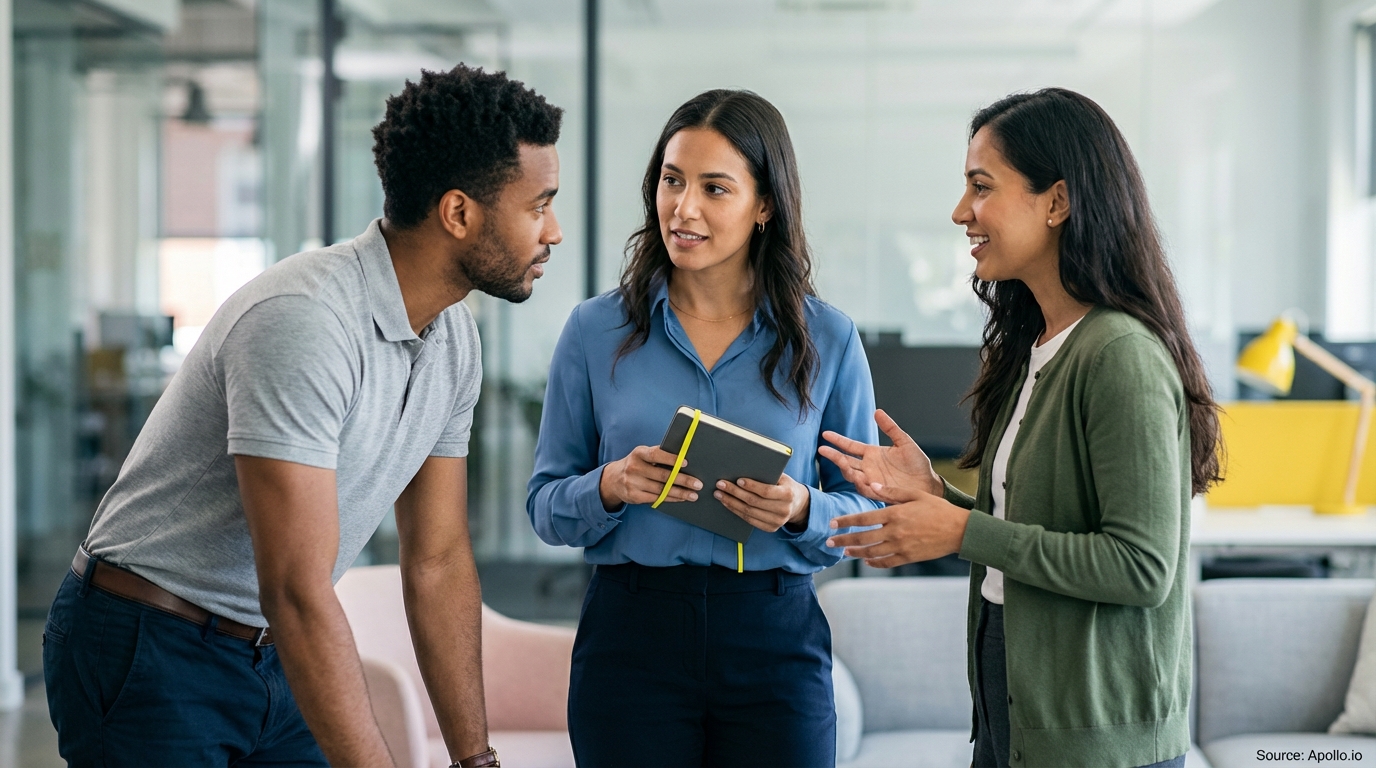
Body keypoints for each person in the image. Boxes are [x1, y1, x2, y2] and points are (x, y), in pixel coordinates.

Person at [43, 64, 564, 767]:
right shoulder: (305, 321)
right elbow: (293, 585)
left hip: (271, 647)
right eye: (539, 205)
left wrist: (476, 760)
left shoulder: (453, 339)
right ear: (459, 213)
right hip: (151, 642)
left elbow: (437, 559)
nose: (554, 232)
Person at [820, 88, 1221, 768]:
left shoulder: (1119, 354)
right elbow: (1040, 525)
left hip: (1099, 742)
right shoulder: (1040, 345)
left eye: (981, 186)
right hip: (1016, 704)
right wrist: (940, 498)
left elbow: (1142, 566)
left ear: (1057, 203)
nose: (959, 212)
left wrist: (960, 531)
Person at [527, 89, 881, 768]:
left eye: (715, 189)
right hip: (631, 635)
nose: (683, 208)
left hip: (774, 637)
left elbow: (864, 512)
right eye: (671, 180)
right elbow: (544, 506)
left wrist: (804, 508)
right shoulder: (594, 332)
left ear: (765, 206)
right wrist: (611, 484)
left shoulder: (828, 338)